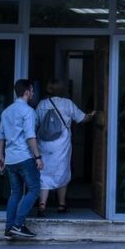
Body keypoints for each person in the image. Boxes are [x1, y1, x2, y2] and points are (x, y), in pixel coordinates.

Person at [35, 79, 95, 216]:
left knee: (44, 173)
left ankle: (42, 204)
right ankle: (62, 204)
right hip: (61, 145)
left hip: (43, 144)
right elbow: (82, 118)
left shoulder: (42, 104)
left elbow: (36, 123)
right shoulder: (67, 103)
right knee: (62, 171)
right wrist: (93, 115)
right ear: (62, 90)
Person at [0, 78, 43, 239]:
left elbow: (0, 135)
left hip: (10, 160)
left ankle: (8, 228)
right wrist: (38, 157)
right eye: (32, 90)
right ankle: (18, 224)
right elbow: (30, 136)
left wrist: (1, 156)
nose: (33, 93)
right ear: (27, 91)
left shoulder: (6, 111)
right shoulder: (28, 111)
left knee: (15, 193)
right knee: (34, 189)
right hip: (24, 157)